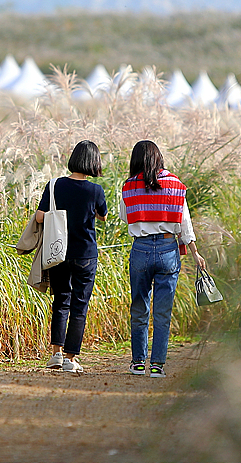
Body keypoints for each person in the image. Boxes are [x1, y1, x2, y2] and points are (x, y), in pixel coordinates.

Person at [119, 140, 206, 378]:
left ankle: (138, 363)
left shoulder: (128, 186)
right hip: (169, 249)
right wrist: (195, 252)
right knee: (162, 312)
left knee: (139, 307)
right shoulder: (176, 185)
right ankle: (157, 365)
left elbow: (126, 220)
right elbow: (184, 223)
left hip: (141, 248)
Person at [36, 140, 108, 373]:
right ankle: (70, 358)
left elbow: (39, 217)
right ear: (94, 162)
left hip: (58, 251)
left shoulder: (55, 185)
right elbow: (103, 216)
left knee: (60, 302)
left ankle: (56, 353)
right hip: (85, 254)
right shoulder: (95, 190)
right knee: (79, 305)